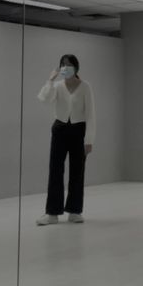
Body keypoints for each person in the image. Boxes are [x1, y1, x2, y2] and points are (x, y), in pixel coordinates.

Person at [36, 54, 95, 226]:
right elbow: (44, 99)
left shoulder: (85, 87)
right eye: (62, 65)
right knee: (55, 170)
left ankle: (74, 211)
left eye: (68, 65)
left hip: (79, 131)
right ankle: (52, 213)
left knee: (77, 171)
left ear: (76, 68)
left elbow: (91, 114)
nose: (65, 67)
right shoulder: (57, 86)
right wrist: (49, 80)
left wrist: (89, 140)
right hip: (60, 129)